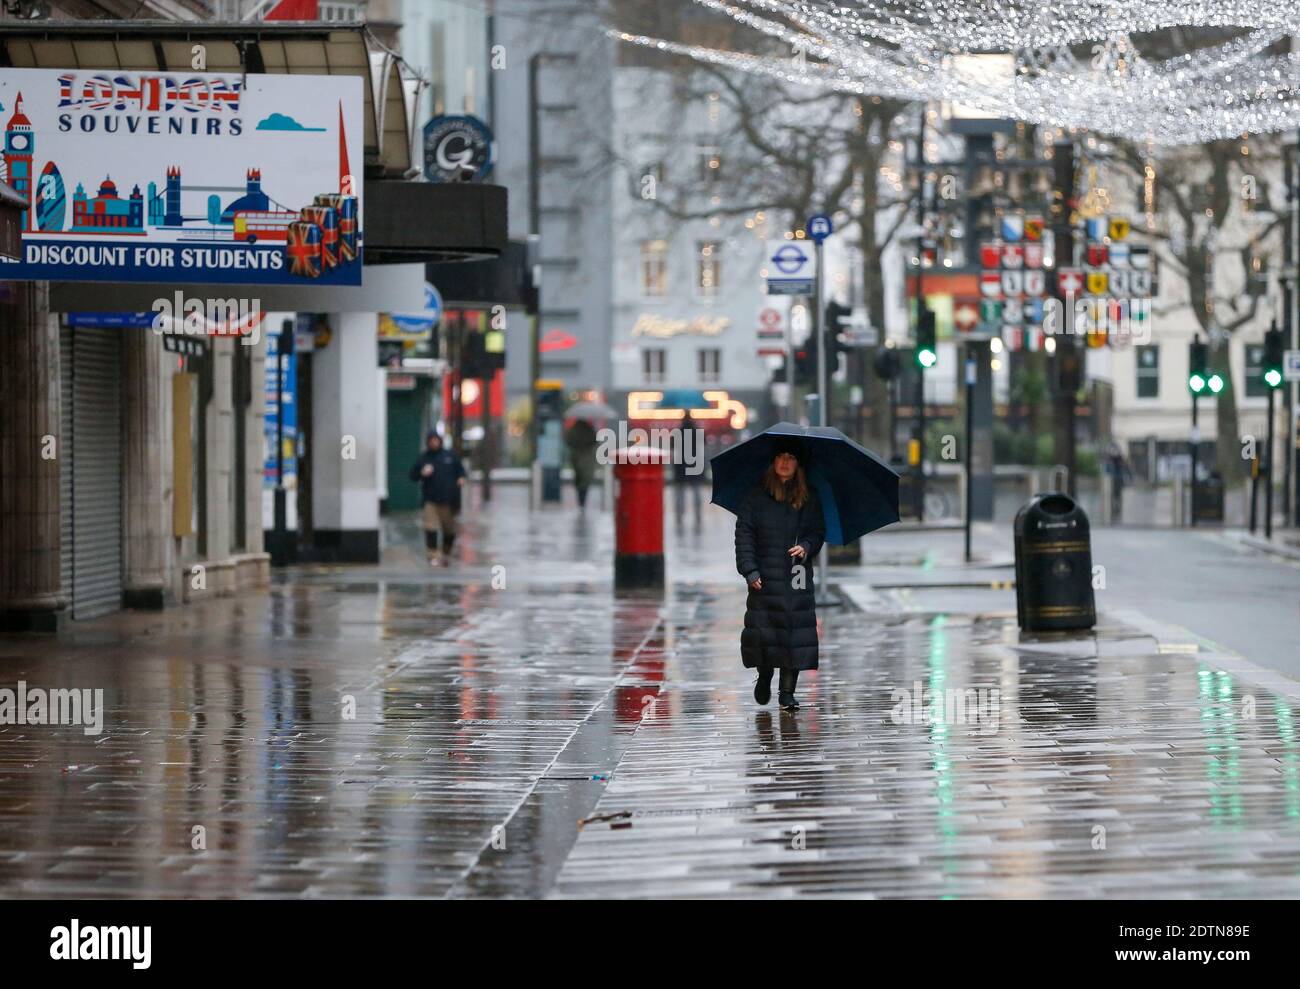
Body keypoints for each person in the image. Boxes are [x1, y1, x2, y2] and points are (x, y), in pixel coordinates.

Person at [733, 440, 825, 711]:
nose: (785, 462)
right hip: (764, 577)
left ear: (798, 465)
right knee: (765, 635)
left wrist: (806, 547)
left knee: (794, 633)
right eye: (781, 457)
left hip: (796, 574)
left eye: (791, 458)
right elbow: (744, 536)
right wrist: (750, 571)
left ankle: (787, 693)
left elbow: (817, 533)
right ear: (773, 462)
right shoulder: (755, 497)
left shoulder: (809, 497)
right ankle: (764, 675)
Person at [409, 431, 466, 566]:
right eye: (431, 440)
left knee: (449, 531)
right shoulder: (424, 458)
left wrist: (461, 479)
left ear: (440, 441)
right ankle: (432, 555)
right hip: (430, 500)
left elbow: (461, 471)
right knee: (431, 528)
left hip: (448, 500)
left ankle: (446, 553)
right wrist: (422, 473)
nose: (434, 442)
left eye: (436, 440)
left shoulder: (450, 456)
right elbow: (412, 475)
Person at [673, 410, 704, 525]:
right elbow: (703, 444)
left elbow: (673, 446)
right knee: (696, 491)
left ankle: (679, 515)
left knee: (680, 493)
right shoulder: (697, 431)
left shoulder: (678, 432)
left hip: (681, 466)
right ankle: (698, 514)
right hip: (695, 465)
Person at [564, 418, 600, 509]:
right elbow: (595, 440)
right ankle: (583, 500)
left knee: (578, 478)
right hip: (586, 458)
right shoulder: (589, 429)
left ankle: (580, 500)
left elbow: (567, 440)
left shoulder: (573, 429)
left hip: (576, 457)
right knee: (585, 479)